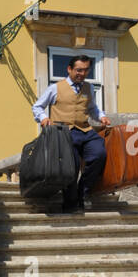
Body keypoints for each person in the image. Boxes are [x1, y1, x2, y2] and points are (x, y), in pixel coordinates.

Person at [31, 55, 110, 213]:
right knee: (71, 167)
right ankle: (70, 203)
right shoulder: (55, 88)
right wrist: (44, 118)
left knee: (99, 154)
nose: (82, 73)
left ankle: (83, 192)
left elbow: (92, 108)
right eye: (79, 70)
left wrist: (101, 116)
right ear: (69, 69)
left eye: (86, 70)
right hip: (64, 132)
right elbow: (37, 106)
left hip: (85, 130)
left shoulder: (89, 88)